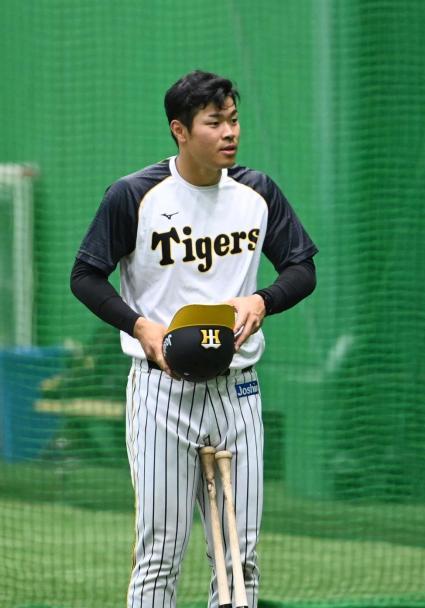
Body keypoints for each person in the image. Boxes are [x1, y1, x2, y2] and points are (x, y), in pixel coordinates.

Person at [70, 70, 317, 607]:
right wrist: (139, 325)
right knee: (160, 553)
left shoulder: (257, 192)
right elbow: (85, 277)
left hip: (238, 391)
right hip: (162, 393)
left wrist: (262, 300)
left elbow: (301, 267)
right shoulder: (134, 195)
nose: (230, 132)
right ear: (180, 130)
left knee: (239, 557)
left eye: (233, 120)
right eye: (215, 122)